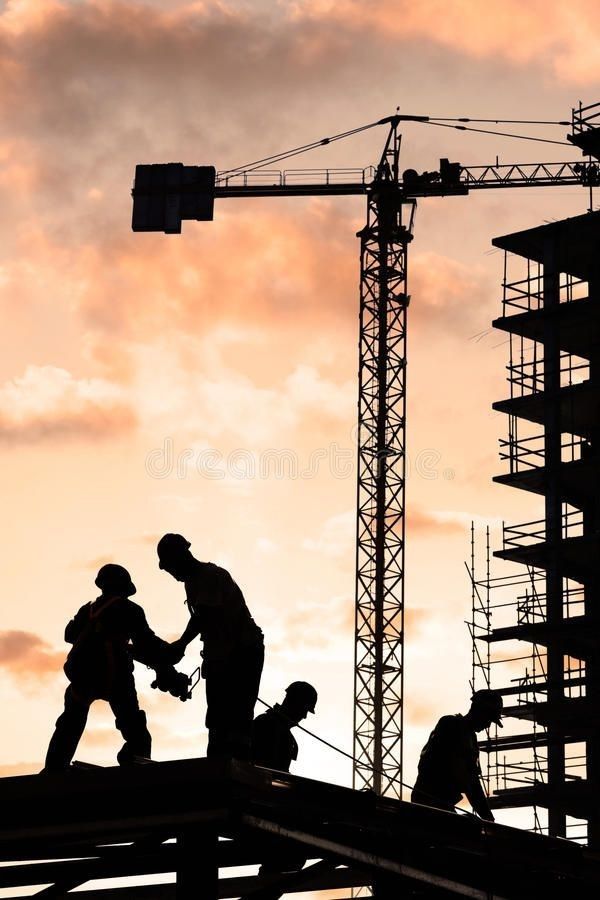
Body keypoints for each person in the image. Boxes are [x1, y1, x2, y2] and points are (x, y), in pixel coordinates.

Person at [44, 564, 184, 771]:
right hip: (115, 676)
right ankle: (136, 765)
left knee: (70, 724)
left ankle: (53, 770)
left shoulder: (88, 609)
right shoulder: (129, 609)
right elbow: (146, 642)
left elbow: (69, 634)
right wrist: (172, 653)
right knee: (136, 730)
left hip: (83, 677)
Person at [157, 533, 264, 759]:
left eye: (169, 567)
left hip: (243, 652)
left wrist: (181, 644)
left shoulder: (211, 576)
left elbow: (204, 616)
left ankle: (235, 766)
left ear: (180, 557)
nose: (170, 573)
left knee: (238, 714)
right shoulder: (192, 582)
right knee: (217, 716)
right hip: (221, 654)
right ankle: (218, 763)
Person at [411, 689, 503, 820]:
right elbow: (467, 778)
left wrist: (487, 818)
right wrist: (487, 817)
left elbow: (472, 782)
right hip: (429, 802)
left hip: (440, 802)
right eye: (488, 719)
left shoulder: (470, 738)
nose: (488, 725)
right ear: (478, 711)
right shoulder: (451, 725)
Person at [252, 681, 318, 771]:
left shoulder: (284, 734)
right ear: (294, 703)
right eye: (304, 710)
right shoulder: (267, 725)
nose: (304, 716)